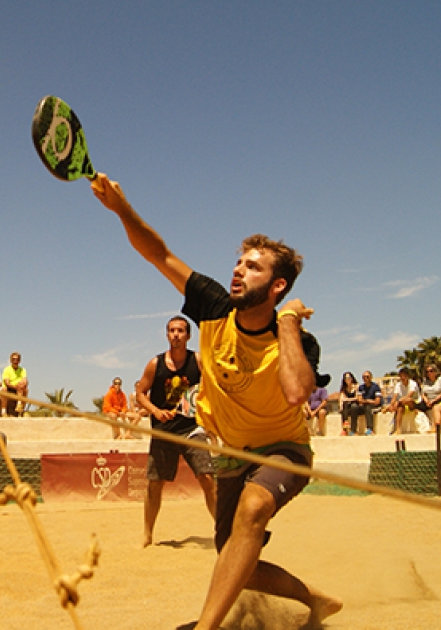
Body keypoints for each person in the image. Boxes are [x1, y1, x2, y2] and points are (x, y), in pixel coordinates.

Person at [92, 173, 341, 628]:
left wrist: (286, 324)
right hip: (229, 450)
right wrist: (121, 210)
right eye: (239, 263)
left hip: (284, 449)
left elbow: (296, 392)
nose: (238, 271)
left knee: (253, 509)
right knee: (235, 559)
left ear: (279, 285)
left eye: (253, 267)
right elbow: (159, 254)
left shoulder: (298, 340)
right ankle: (315, 599)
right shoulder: (213, 306)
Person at [135, 316, 217, 546]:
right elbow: (141, 392)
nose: (176, 334)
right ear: (167, 335)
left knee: (207, 478)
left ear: (188, 336)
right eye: (172, 330)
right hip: (163, 431)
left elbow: (212, 386)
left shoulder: (198, 361)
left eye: (180, 330)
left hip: (192, 429)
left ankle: (223, 530)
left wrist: (209, 417)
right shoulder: (155, 364)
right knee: (155, 484)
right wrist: (155, 411)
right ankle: (147, 534)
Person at [386, 368, 422, 435]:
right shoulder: (398, 385)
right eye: (401, 376)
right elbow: (394, 397)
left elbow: (409, 395)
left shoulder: (413, 384)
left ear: (408, 376)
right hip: (403, 403)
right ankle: (398, 429)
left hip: (415, 403)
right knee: (399, 408)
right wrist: (391, 405)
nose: (403, 378)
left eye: (404, 376)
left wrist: (398, 402)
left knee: (407, 400)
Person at [416, 364, 441, 432]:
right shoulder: (426, 381)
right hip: (429, 400)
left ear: (435, 371)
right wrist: (426, 400)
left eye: (431, 371)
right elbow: (423, 393)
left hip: (439, 399)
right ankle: (424, 426)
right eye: (427, 371)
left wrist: (434, 400)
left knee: (435, 407)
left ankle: (435, 427)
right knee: (416, 408)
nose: (429, 373)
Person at [348, 371, 382, 435]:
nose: (365, 378)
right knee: (354, 406)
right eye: (363, 377)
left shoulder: (376, 387)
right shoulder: (361, 387)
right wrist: (368, 401)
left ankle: (370, 429)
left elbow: (377, 401)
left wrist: (367, 401)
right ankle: (353, 430)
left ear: (371, 377)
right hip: (364, 406)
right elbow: (359, 400)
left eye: (367, 377)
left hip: (374, 407)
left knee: (368, 407)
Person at [1, 352, 28, 416]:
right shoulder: (7, 369)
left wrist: (23, 384)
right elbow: (7, 383)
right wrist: (16, 387)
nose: (15, 361)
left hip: (19, 388)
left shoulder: (22, 370)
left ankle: (21, 410)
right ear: (10, 360)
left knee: (25, 390)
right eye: (13, 359)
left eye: (17, 359)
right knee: (3, 390)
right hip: (9, 388)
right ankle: (3, 411)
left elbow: (25, 380)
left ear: (19, 360)